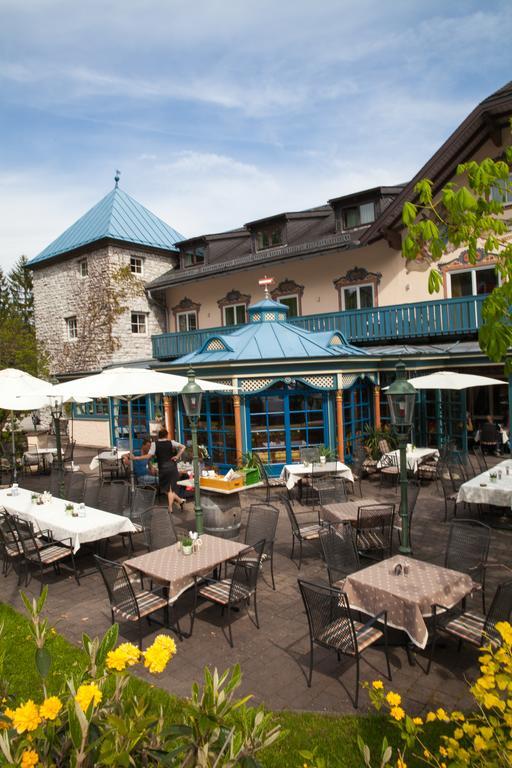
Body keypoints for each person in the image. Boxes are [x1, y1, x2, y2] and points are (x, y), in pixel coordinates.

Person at [134, 428, 186, 511]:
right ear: (166, 435)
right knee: (170, 489)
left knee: (167, 488)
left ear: (159, 436)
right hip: (172, 467)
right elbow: (183, 447)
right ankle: (179, 501)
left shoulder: (154, 444)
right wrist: (177, 456)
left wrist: (136, 457)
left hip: (163, 468)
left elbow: (148, 456)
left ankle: (171, 507)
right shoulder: (171, 442)